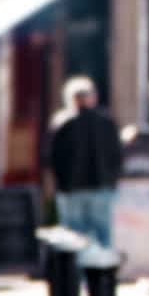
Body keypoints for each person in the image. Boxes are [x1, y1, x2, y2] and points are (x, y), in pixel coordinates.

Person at [48, 76, 124, 248]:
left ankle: (82, 273)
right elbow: (117, 155)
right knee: (100, 234)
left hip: (74, 189)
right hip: (98, 186)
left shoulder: (62, 123)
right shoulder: (105, 121)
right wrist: (112, 180)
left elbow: (53, 159)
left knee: (75, 236)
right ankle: (102, 272)